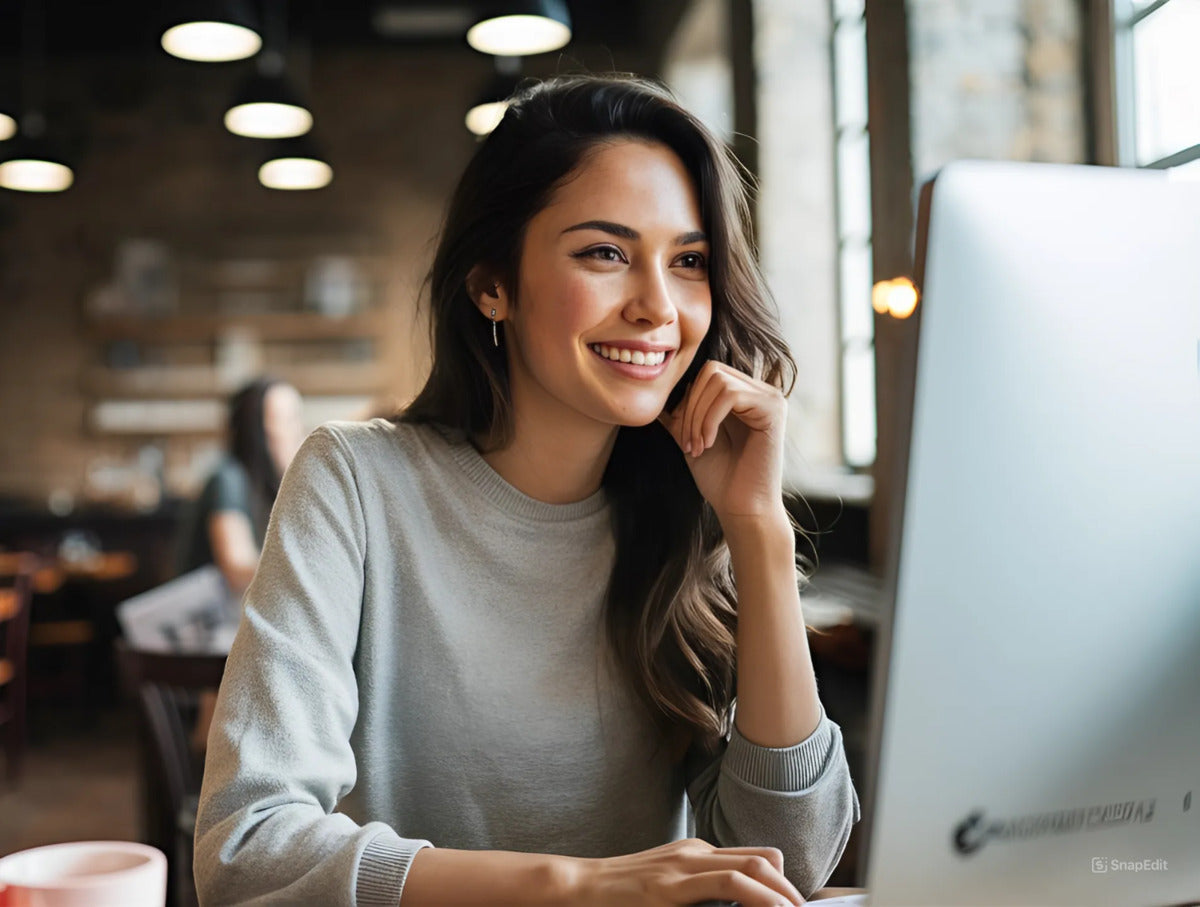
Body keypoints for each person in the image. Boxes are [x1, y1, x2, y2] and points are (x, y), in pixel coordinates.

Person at [195, 74, 860, 907]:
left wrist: (758, 529)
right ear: (491, 284)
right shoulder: (354, 479)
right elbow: (246, 849)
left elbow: (791, 863)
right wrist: (579, 885)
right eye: (605, 253)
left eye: (689, 261)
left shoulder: (695, 509)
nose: (659, 306)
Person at [176, 377, 306, 595]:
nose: (300, 432)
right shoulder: (228, 479)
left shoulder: (273, 487)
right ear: (257, 432)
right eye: (288, 420)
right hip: (201, 620)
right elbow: (236, 569)